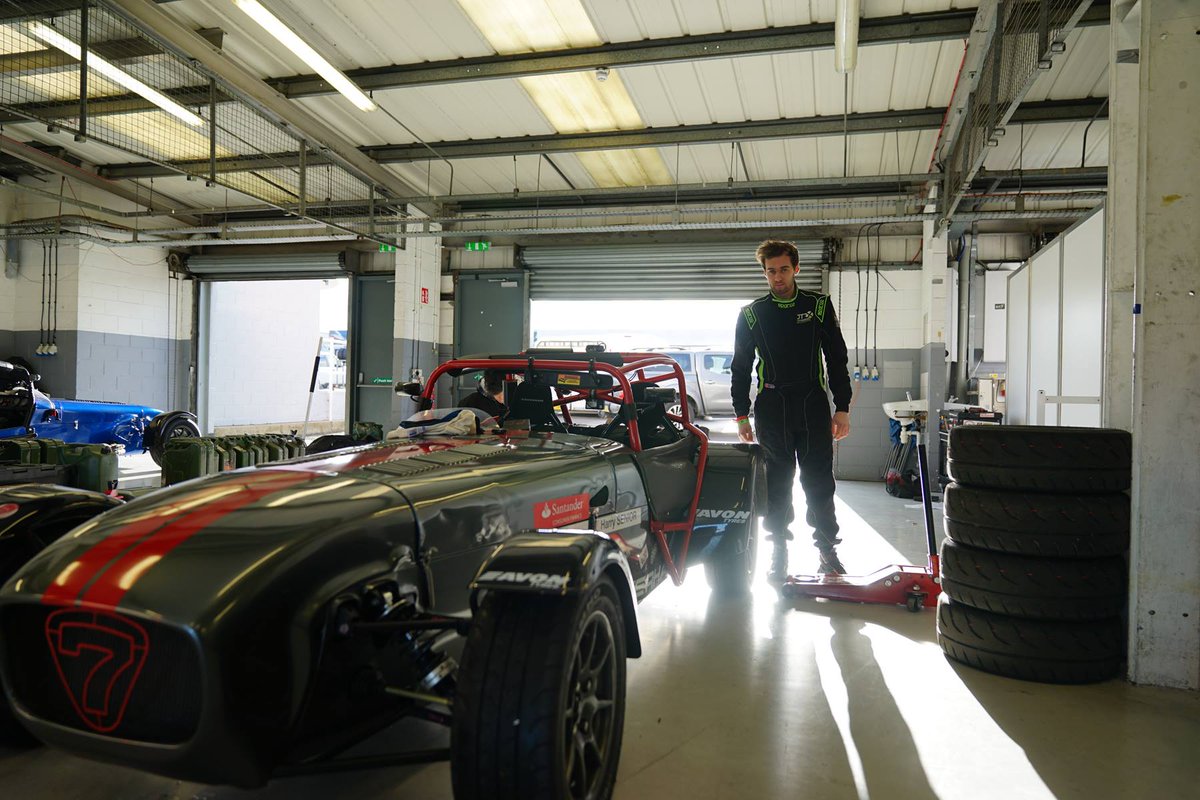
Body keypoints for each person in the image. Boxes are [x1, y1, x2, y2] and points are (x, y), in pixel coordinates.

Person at [731, 240, 852, 582]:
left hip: (812, 404)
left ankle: (827, 550)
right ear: (764, 273)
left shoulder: (818, 306)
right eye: (771, 271)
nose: (778, 277)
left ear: (796, 268)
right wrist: (741, 414)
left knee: (818, 481)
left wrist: (842, 407)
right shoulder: (752, 314)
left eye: (784, 269)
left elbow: (837, 359)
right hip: (772, 408)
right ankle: (779, 553)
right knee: (778, 483)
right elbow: (740, 367)